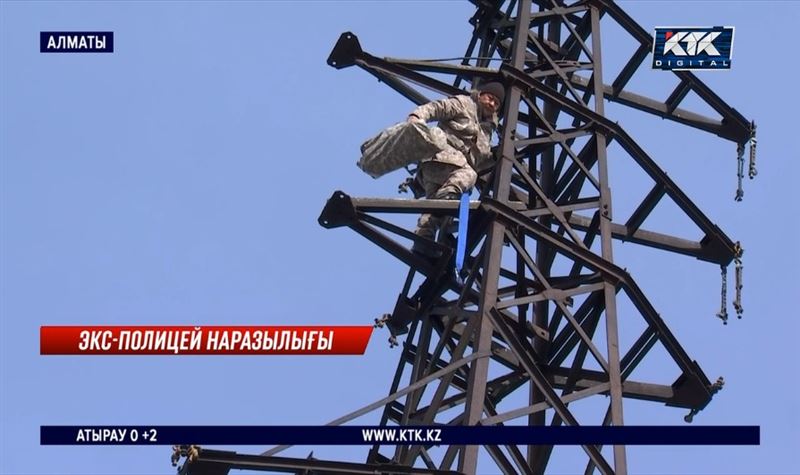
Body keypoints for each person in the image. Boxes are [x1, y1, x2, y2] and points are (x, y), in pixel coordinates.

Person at [406, 81, 505, 256]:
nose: (492, 104)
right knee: (469, 176)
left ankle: (423, 243)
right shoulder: (464, 103)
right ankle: (445, 204)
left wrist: (498, 156)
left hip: (448, 172)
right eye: (490, 98)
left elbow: (479, 160)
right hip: (440, 158)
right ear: (480, 95)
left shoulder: (487, 131)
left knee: (435, 212)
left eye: (496, 104)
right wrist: (416, 117)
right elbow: (437, 108)